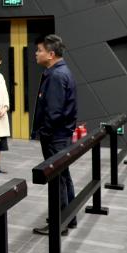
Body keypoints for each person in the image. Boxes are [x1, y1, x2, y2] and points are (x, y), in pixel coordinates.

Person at [32, 35, 78, 236]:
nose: (36, 53)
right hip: (61, 134)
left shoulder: (56, 76)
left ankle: (59, 222)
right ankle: (69, 217)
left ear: (51, 54)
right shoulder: (60, 71)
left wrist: (44, 133)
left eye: (39, 50)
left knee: (57, 178)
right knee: (63, 176)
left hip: (55, 136)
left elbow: (54, 112)